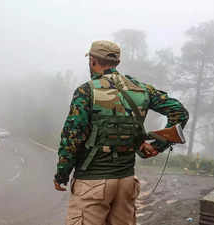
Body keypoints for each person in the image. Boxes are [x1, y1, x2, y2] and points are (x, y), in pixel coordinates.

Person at [53, 40, 189, 225]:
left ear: (93, 61)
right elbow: (179, 112)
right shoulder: (142, 89)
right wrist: (158, 146)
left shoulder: (86, 92)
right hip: (126, 182)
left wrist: (62, 174)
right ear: (116, 62)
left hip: (92, 182)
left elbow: (72, 137)